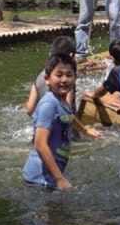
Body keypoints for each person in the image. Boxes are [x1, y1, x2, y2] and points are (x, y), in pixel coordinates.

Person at [24, 35, 101, 140]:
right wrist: (85, 129)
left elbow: (29, 110)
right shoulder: (66, 82)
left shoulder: (40, 76)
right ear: (71, 55)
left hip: (43, 133)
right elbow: (66, 110)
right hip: (66, 136)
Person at [23, 54, 80, 190]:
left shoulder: (62, 101)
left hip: (50, 175)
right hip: (39, 179)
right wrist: (59, 179)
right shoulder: (48, 105)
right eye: (59, 75)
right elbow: (40, 143)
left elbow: (69, 117)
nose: (64, 80)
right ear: (47, 79)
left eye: (69, 75)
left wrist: (86, 130)